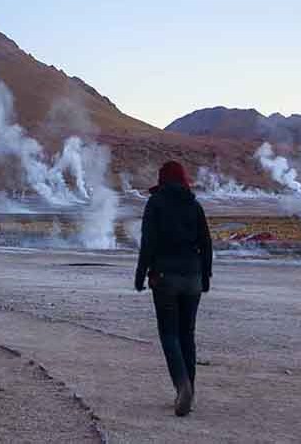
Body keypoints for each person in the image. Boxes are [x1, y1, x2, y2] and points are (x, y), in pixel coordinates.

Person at [134, 159, 212, 417]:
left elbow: (148, 243)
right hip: (193, 278)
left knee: (169, 334)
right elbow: (206, 243)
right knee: (187, 334)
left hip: (165, 277)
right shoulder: (194, 205)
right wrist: (206, 276)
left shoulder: (155, 204)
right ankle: (189, 390)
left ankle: (182, 387)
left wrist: (140, 274)